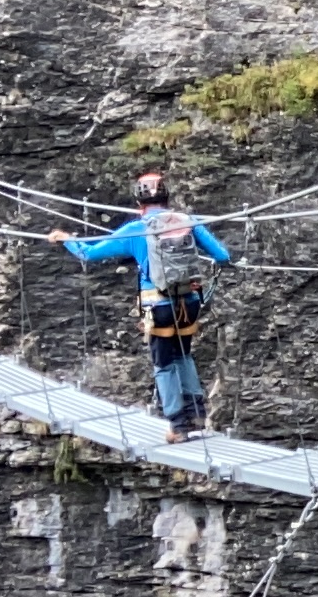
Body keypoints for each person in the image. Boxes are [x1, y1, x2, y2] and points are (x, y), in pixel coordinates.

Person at [53, 170, 235, 442]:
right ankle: (196, 415)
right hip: (190, 301)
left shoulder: (135, 229)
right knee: (183, 355)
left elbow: (87, 254)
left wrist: (65, 238)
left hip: (158, 305)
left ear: (139, 203)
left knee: (163, 363)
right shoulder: (188, 221)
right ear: (166, 197)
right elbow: (223, 256)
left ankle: (177, 425)